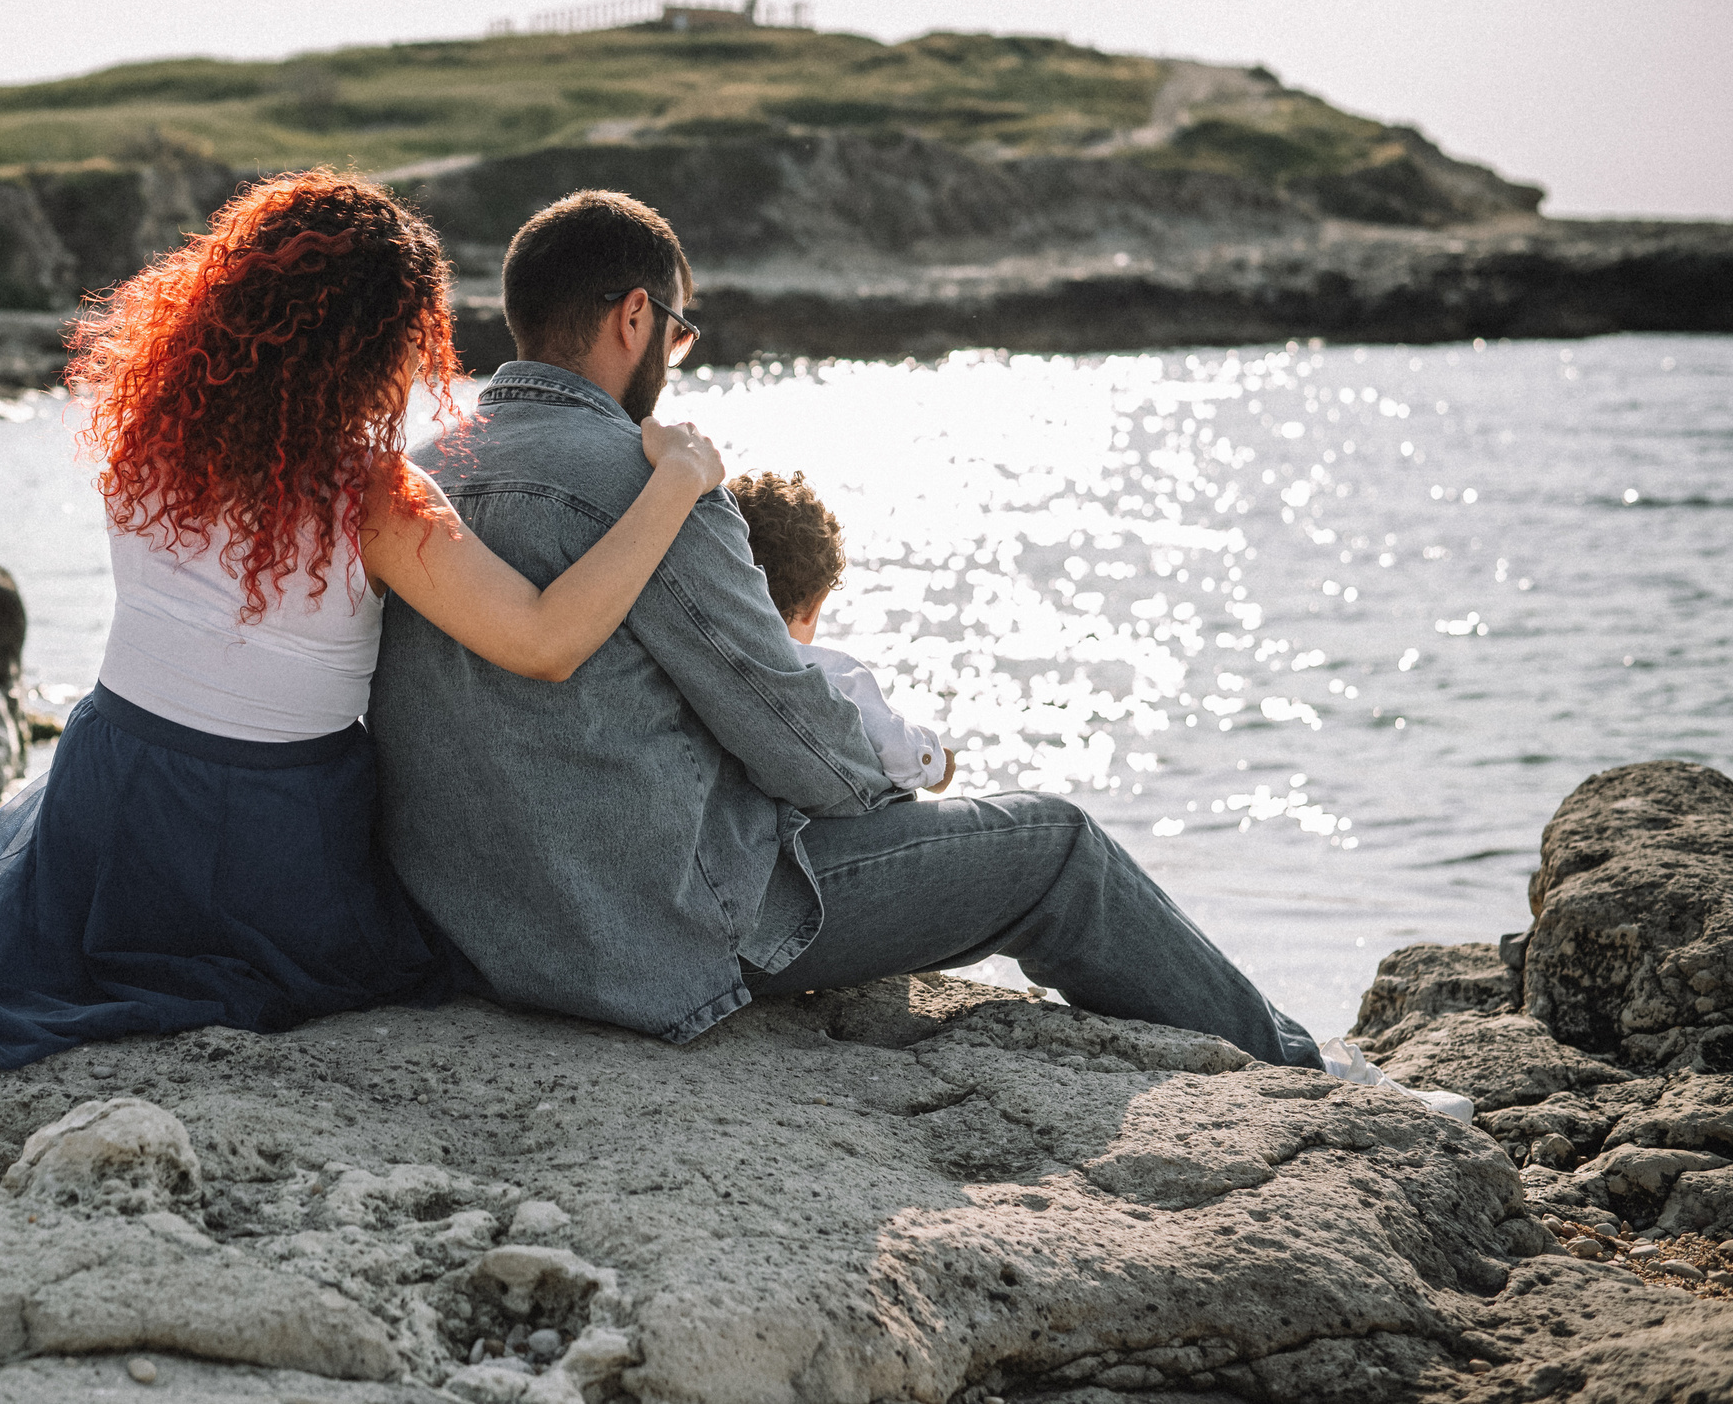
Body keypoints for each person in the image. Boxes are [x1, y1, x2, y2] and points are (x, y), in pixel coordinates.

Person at [0, 170, 727, 1136]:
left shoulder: (149, 441)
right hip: (268, 841)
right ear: (380, 340)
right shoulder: (370, 490)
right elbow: (542, 641)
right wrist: (674, 480)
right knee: (420, 939)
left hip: (111, 793)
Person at [368, 189, 1326, 1071]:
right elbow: (798, 742)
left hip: (479, 940)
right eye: (680, 332)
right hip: (649, 938)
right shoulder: (659, 486)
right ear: (634, 317)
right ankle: (1302, 1071)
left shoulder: (414, 474)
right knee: (1059, 847)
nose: (675, 353)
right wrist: (902, 778)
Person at [726, 469, 953, 796]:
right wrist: (938, 766)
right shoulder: (829, 672)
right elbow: (902, 751)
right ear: (813, 605)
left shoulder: (707, 653)